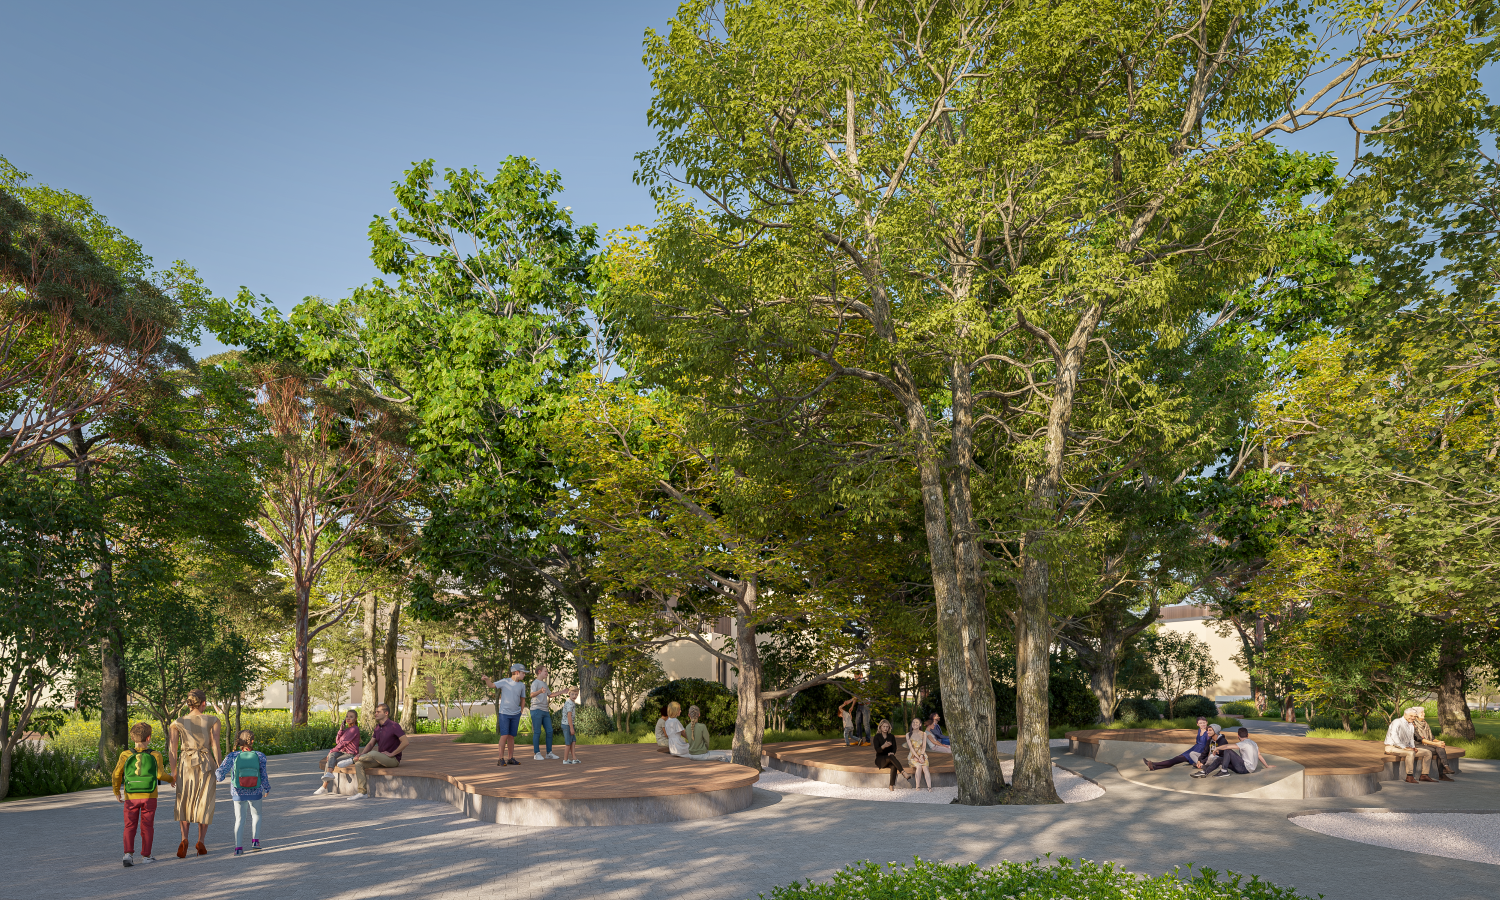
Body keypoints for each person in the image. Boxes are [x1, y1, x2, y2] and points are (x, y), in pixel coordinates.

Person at [169, 690, 221, 857]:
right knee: (204, 801)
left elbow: (172, 750)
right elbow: (215, 746)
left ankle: (184, 839)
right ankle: (201, 841)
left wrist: (173, 772)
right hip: (206, 763)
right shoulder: (213, 720)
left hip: (186, 764)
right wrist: (220, 767)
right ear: (204, 703)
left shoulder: (177, 722)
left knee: (185, 800)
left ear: (188, 704)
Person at [113, 722, 172, 867]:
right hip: (149, 796)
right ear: (149, 737)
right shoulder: (155, 755)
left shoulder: (125, 754)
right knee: (147, 826)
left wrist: (117, 791)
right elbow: (159, 774)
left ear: (132, 738)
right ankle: (146, 855)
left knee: (129, 825)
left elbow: (116, 774)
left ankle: (128, 854)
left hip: (131, 796)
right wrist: (172, 779)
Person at [214, 730, 270, 855]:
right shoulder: (260, 756)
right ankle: (255, 841)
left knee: (239, 819)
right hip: (255, 790)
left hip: (238, 792)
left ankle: (238, 848)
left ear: (239, 741)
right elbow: (263, 774)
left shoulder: (232, 756)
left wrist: (219, 778)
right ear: (252, 741)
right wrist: (266, 788)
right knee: (257, 815)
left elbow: (221, 771)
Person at [351, 702, 409, 799]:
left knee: (373, 753)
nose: (375, 713)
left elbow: (405, 742)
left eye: (378, 712)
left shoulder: (394, 726)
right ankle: (362, 792)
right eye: (375, 712)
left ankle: (351, 760)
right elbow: (370, 744)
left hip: (392, 760)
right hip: (380, 759)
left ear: (386, 713)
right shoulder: (377, 728)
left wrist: (392, 754)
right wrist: (362, 754)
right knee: (359, 764)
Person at [482, 663, 529, 766]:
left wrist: (521, 711)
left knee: (511, 736)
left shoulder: (522, 685)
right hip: (504, 714)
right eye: (523, 673)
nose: (524, 675)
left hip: (516, 714)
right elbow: (492, 685)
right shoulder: (504, 682)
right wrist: (487, 679)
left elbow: (523, 699)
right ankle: (500, 759)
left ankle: (511, 758)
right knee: (504, 735)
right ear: (517, 672)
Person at [1195, 727, 1275, 778]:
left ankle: (1224, 771)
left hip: (1244, 768)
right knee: (1220, 759)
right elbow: (1259, 755)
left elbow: (1227, 747)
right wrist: (1266, 765)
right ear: (1248, 735)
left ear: (1238, 736)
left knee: (1228, 751)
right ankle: (1204, 772)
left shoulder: (1243, 743)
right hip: (1246, 768)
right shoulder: (1254, 743)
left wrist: (1217, 748)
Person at [314, 709, 361, 795]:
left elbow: (343, 743)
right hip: (343, 752)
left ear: (355, 719)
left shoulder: (354, 729)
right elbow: (338, 742)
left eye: (351, 717)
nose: (348, 718)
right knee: (332, 756)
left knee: (332, 759)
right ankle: (328, 774)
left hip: (351, 754)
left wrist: (331, 751)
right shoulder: (347, 729)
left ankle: (324, 786)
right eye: (347, 716)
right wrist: (341, 730)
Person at [1385, 707, 1436, 784]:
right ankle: (1409, 776)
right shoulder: (1397, 722)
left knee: (1428, 752)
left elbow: (1411, 739)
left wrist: (1413, 747)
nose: (1413, 718)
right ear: (1405, 714)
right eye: (1411, 716)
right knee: (1410, 753)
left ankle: (1424, 775)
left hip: (1405, 748)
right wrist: (1405, 748)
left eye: (1415, 716)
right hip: (1392, 747)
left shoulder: (1411, 725)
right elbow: (1394, 736)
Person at [1143, 717, 1211, 771]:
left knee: (1175, 760)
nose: (1203, 724)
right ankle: (1155, 767)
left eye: (1204, 723)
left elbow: (1209, 744)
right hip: (1194, 748)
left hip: (1199, 751)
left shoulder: (1208, 732)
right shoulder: (1200, 730)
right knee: (1176, 759)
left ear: (1207, 722)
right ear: (1197, 724)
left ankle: (1153, 764)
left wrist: (1206, 755)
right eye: (1200, 723)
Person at [1413, 710, 1456, 781]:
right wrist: (1436, 744)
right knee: (1437, 749)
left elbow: (1432, 738)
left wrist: (1439, 742)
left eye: (1424, 712)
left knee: (1440, 747)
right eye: (1422, 712)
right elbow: (1420, 739)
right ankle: (1443, 772)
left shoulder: (1425, 724)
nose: (1424, 714)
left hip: (1426, 744)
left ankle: (1445, 768)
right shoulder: (1413, 725)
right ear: (1416, 715)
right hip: (1417, 745)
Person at [529, 664, 559, 761]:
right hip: (536, 710)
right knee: (537, 732)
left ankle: (549, 753)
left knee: (549, 731)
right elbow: (532, 694)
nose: (547, 673)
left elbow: (550, 695)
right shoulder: (535, 683)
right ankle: (536, 753)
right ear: (539, 672)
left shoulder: (545, 684)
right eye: (545, 671)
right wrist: (540, 691)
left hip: (545, 710)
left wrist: (562, 692)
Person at [873, 719, 911, 790]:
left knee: (893, 765)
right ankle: (903, 772)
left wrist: (892, 752)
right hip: (880, 759)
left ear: (889, 727)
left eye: (887, 727)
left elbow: (894, 748)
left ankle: (891, 785)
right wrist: (883, 746)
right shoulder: (877, 737)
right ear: (880, 727)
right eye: (884, 726)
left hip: (889, 758)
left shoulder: (891, 736)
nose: (885, 728)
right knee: (891, 757)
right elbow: (877, 750)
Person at [906, 718, 937, 791]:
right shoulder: (908, 734)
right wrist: (917, 757)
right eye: (913, 722)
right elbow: (911, 747)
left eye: (917, 722)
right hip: (913, 755)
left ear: (920, 724)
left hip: (922, 754)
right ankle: (918, 786)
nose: (914, 724)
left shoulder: (924, 734)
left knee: (925, 768)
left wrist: (921, 756)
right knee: (919, 767)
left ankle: (929, 787)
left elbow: (924, 746)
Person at [558, 686, 579, 764]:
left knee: (573, 741)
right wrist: (571, 728)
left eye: (576, 694)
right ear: (569, 694)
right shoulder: (569, 703)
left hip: (570, 724)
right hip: (567, 725)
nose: (574, 696)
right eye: (572, 694)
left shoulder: (572, 702)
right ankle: (565, 760)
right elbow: (569, 716)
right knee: (568, 743)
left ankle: (574, 758)